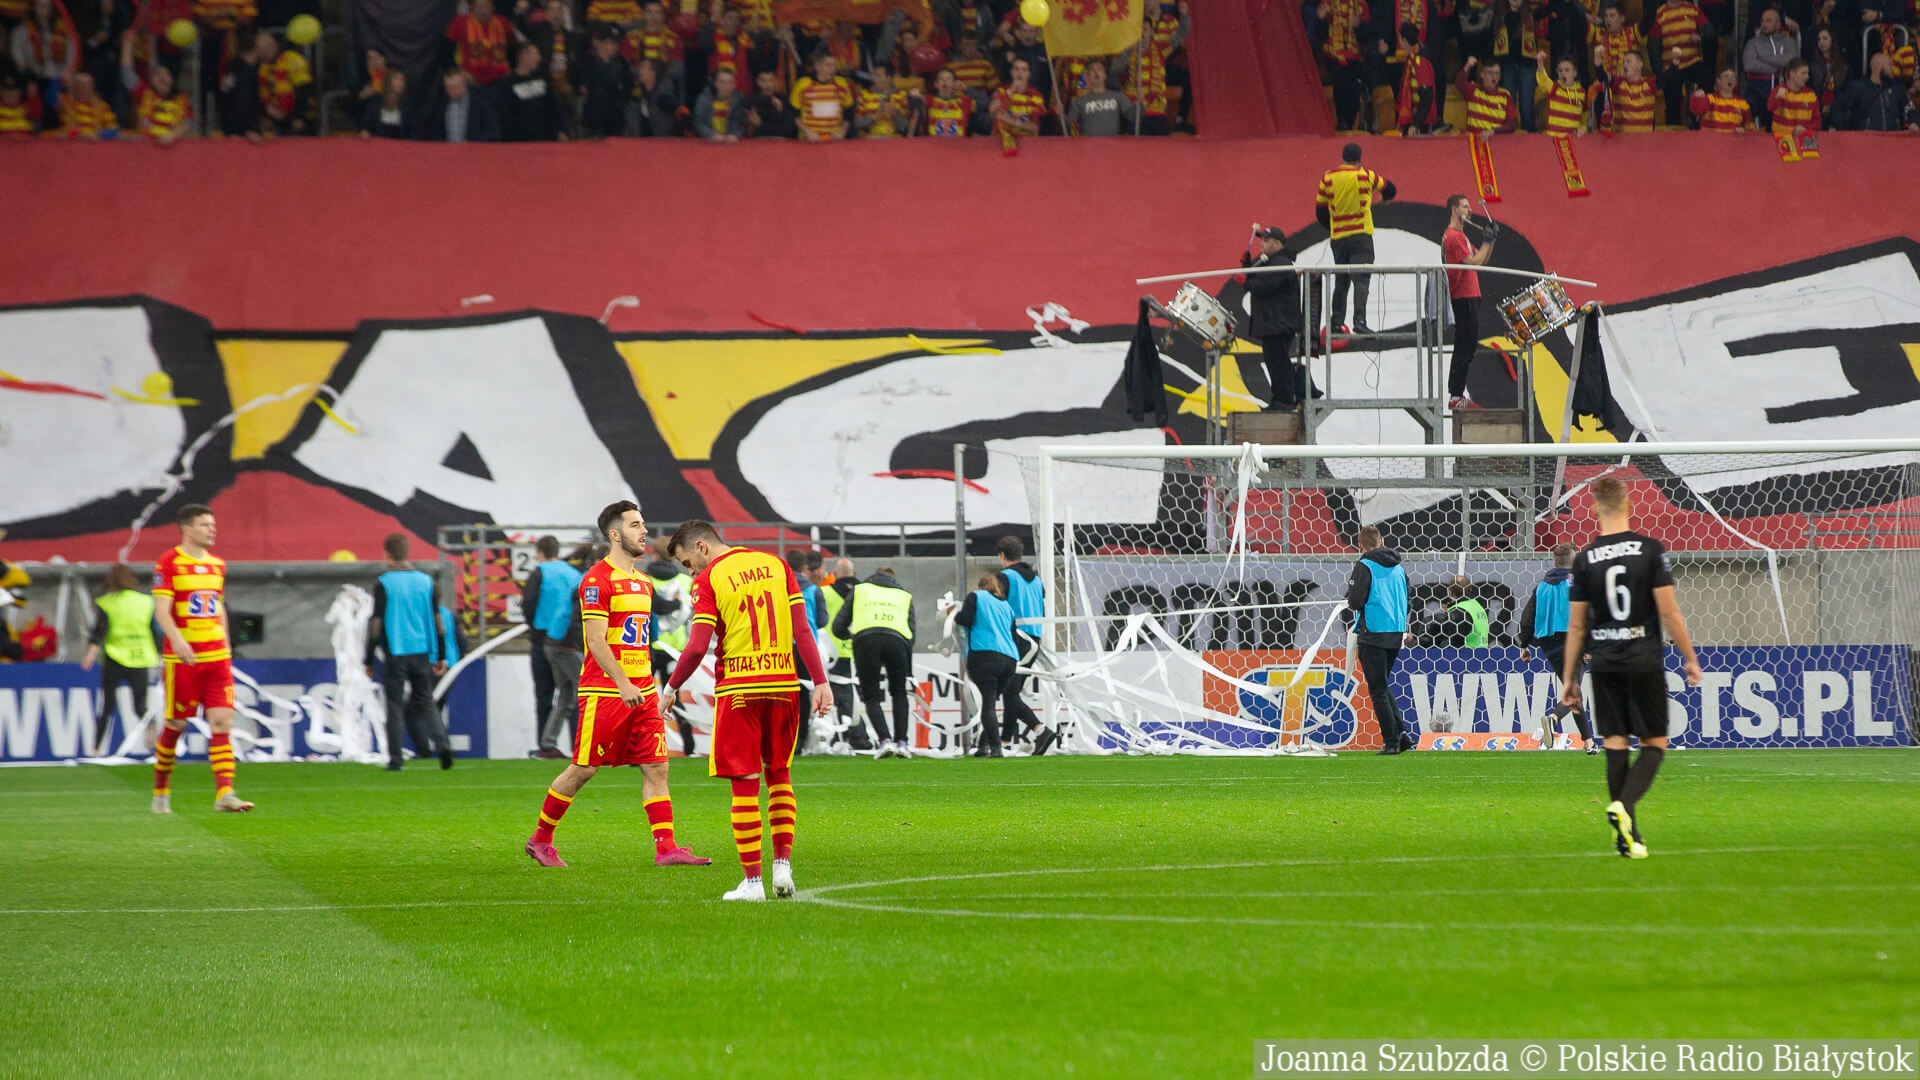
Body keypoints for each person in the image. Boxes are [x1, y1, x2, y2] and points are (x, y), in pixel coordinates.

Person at [525, 502, 714, 870]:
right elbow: (596, 640)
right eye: (635, 525)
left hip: (642, 691)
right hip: (606, 692)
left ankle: (666, 849)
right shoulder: (597, 579)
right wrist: (623, 682)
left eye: (642, 524)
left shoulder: (643, 581)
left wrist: (649, 685)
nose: (643, 531)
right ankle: (541, 840)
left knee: (657, 767)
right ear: (614, 534)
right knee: (583, 769)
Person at [664, 520, 833, 901]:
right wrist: (820, 681)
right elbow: (802, 631)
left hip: (740, 689)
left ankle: (753, 883)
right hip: (784, 686)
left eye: (688, 562)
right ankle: (782, 867)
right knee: (779, 775)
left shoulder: (709, 580)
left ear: (702, 547)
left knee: (744, 784)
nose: (690, 571)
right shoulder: (777, 566)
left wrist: (671, 688)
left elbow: (697, 647)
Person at [1562, 478, 1703, 858]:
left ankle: (1628, 838)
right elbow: (1669, 611)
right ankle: (1624, 809)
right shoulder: (1650, 549)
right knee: (1654, 743)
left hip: (1604, 662)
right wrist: (1690, 657)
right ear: (1629, 506)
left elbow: (1576, 625)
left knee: (1615, 744)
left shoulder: (1585, 558)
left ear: (1595, 509)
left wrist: (1569, 679)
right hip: (1643, 661)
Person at [151, 504, 254, 813]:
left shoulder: (217, 565)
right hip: (183, 661)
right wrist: (177, 640)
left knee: (222, 723)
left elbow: (217, 606)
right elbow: (161, 610)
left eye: (212, 524)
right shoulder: (169, 563)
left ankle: (225, 793)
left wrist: (226, 645)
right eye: (205, 524)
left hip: (217, 658)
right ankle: (161, 790)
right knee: (175, 724)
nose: (212, 529)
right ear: (187, 529)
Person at [366, 533, 453, 772]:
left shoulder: (384, 583)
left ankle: (396, 759)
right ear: (407, 552)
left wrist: (368, 657)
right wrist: (441, 654)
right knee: (426, 701)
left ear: (386, 553)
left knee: (394, 705)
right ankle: (443, 745)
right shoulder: (426, 582)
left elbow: (376, 623)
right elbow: (438, 620)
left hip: (396, 650)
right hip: (422, 650)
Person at [1518, 542, 1598, 753]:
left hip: (1549, 643)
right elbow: (1590, 615)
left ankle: (1589, 743)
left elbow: (1527, 617)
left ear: (1554, 562)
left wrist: (1524, 645)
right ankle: (1552, 720)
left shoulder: (1541, 587)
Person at [831, 562, 917, 759]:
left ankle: (885, 741)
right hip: (898, 642)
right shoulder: (904, 595)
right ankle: (902, 743)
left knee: (871, 696)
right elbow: (911, 633)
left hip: (866, 640)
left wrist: (852, 637)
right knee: (899, 693)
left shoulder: (860, 590)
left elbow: (838, 626)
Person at [1312, 144, 1394, 337]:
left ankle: (1335, 322)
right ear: (1359, 158)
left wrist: (1334, 227)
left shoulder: (1328, 178)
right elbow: (1391, 189)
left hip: (1339, 238)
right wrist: (1383, 200)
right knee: (1361, 279)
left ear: (1342, 157)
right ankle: (1360, 320)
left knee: (1341, 281)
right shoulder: (1366, 176)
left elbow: (1320, 210)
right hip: (1361, 236)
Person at [1345, 525, 1413, 755]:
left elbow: (1355, 601)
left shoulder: (1364, 565)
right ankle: (1402, 735)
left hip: (1373, 633)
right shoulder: (1398, 568)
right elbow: (1408, 601)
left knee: (1377, 690)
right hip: (1395, 633)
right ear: (1381, 542)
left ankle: (1391, 742)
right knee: (1382, 685)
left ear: (1360, 546)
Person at [80, 564, 156, 757]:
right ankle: (152, 730)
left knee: (107, 707)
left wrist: (90, 655)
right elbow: (154, 630)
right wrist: (162, 655)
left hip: (115, 657)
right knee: (140, 706)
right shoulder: (145, 601)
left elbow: (99, 631)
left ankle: (96, 749)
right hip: (140, 657)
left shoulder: (108, 602)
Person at [952, 574, 1018, 757]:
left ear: (980, 587)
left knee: (987, 705)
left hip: (984, 655)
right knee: (990, 704)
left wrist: (952, 614)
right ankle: (983, 746)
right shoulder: (1007, 606)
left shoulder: (976, 597)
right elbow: (1013, 634)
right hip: (1010, 660)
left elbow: (965, 619)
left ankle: (996, 748)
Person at [1441, 193, 1496, 412]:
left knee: (1468, 344)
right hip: (1463, 296)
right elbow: (1473, 262)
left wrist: (1490, 241)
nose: (1470, 210)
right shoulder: (1453, 237)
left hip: (1469, 295)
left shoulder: (1460, 236)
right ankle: (1456, 395)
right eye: (1465, 206)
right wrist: (1487, 241)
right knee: (1465, 344)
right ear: (1454, 209)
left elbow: (1482, 260)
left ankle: (1457, 393)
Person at [1242, 225, 1304, 411]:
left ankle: (1284, 400)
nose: (1261, 244)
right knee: (1274, 361)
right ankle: (1279, 399)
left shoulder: (1280, 263)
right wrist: (1247, 266)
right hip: (1273, 322)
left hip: (1279, 323)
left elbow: (1262, 286)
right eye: (1262, 240)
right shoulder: (1270, 262)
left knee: (1278, 361)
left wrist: (1245, 282)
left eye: (1266, 240)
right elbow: (1257, 280)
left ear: (1277, 244)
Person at [996, 537, 1046, 749]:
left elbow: (997, 607)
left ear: (1002, 555)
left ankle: (1039, 729)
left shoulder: (1005, 577)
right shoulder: (1036, 580)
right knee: (1011, 691)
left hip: (1015, 639)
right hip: (1034, 639)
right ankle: (1005, 741)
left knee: (1009, 691)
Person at [537, 544, 587, 758]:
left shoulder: (582, 579)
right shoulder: (590, 582)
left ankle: (547, 745)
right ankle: (591, 746)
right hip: (566, 645)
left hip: (554, 641)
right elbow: (577, 619)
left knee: (566, 696)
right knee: (590, 692)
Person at [519, 535, 567, 757]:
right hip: (570, 641)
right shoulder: (573, 573)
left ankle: (544, 745)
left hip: (542, 638)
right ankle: (581, 745)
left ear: (539, 552)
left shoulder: (539, 573)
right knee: (574, 695)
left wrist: (533, 627)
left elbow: (528, 604)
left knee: (544, 695)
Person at [820, 558, 865, 746]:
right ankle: (856, 736)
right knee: (853, 697)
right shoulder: (864, 594)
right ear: (853, 573)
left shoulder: (824, 593)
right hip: (859, 652)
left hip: (832, 653)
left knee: (835, 699)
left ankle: (853, 736)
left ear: (835, 574)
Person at [1652, 0, 1710, 126]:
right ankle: (1673, 130)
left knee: (1708, 81)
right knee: (1672, 102)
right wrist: (1659, 70)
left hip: (1692, 61)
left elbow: (1709, 31)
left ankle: (1702, 122)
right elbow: (1653, 45)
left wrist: (1701, 37)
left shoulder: (1693, 9)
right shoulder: (1659, 14)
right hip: (1671, 65)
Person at [500, 40, 568, 140]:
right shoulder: (508, 83)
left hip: (546, 139)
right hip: (520, 141)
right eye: (535, 54)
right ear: (524, 56)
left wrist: (562, 130)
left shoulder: (542, 79)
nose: (539, 58)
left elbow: (554, 106)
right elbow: (505, 116)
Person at [1742, 7, 1798, 126]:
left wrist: (1762, 57)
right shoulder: (1753, 43)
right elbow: (1749, 65)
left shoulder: (1788, 41)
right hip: (1757, 92)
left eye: (1768, 21)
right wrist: (1777, 68)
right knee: (1744, 109)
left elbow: (1791, 61)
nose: (1764, 24)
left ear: (1778, 25)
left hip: (1784, 93)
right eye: (1762, 21)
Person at [578, 28, 633, 137]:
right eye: (611, 43)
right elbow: (581, 86)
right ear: (600, 43)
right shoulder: (587, 61)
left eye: (617, 43)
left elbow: (628, 87)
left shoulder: (622, 63)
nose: (615, 47)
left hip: (615, 119)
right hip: (592, 119)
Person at [422, 67, 499, 141]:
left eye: (455, 87)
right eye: (448, 87)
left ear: (464, 85)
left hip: (472, 148)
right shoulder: (442, 104)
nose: (451, 91)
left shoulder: (479, 103)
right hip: (447, 148)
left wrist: (472, 144)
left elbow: (492, 132)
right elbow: (436, 132)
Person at [791, 47, 852, 140]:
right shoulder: (803, 84)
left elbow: (849, 112)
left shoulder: (842, 84)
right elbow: (793, 114)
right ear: (817, 66)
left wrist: (842, 131)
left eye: (834, 65)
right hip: (809, 140)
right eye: (828, 65)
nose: (832, 69)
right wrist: (807, 132)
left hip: (834, 140)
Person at [1834, 52, 1906, 130]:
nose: (1893, 68)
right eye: (1890, 65)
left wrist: (1913, 122)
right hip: (1865, 137)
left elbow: (1909, 110)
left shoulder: (1897, 89)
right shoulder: (1858, 88)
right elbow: (1837, 109)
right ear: (1878, 66)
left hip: (1892, 137)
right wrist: (1839, 128)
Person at [1457, 55, 1521, 134]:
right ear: (1482, 74)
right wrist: (1468, 65)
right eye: (1490, 73)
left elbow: (1512, 123)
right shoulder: (1473, 90)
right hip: (1474, 138)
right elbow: (1459, 84)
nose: (1494, 76)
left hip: (1496, 137)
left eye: (1497, 73)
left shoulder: (1505, 95)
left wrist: (1494, 131)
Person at [1066, 59, 1133, 134]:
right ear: (1087, 77)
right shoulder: (1079, 101)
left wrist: (1140, 104)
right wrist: (1060, 115)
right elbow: (1069, 125)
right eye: (1092, 69)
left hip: (1112, 141)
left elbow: (1132, 117)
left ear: (1104, 75)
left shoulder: (1119, 96)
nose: (1096, 72)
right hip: (1088, 141)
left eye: (1099, 69)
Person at [1767, 56, 1820, 147]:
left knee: (1812, 155)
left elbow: (1817, 121)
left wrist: (1806, 128)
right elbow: (1770, 107)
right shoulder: (1779, 91)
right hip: (1783, 138)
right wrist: (1777, 97)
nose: (1807, 77)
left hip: (1807, 137)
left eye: (1807, 73)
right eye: (1803, 73)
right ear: (1792, 74)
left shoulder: (1810, 94)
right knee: (1787, 156)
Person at [1535, 50, 1588, 133]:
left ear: (1575, 73)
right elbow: (1543, 80)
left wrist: (1583, 128)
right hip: (1553, 137)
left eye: (1567, 70)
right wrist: (1540, 62)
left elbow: (1585, 118)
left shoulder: (1582, 93)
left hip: (1573, 138)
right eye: (1560, 70)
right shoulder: (1553, 87)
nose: (1563, 73)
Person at [1689, 65, 1752, 129]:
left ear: (1735, 82)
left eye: (1733, 76)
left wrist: (1743, 130)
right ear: (1718, 80)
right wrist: (1696, 97)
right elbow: (1696, 110)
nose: (1730, 78)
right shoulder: (1710, 99)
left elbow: (1750, 128)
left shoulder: (1743, 103)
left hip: (1732, 136)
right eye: (1726, 76)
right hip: (1711, 136)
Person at [743, 67, 797, 137]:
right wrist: (769, 99)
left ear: (775, 81)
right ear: (757, 81)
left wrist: (761, 124)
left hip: (780, 139)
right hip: (758, 140)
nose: (767, 84)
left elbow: (787, 129)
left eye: (771, 80)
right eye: (763, 81)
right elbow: (742, 103)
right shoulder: (752, 99)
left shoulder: (783, 100)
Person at [1438, 575, 1491, 648]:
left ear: (1450, 592)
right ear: (1470, 589)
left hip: (1467, 652)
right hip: (1483, 650)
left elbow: (1454, 640)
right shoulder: (1476, 605)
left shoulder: (1459, 611)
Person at [693, 64, 742, 139]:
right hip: (707, 140)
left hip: (730, 141)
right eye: (721, 82)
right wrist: (712, 135)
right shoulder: (704, 99)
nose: (725, 85)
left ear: (734, 85)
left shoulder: (739, 100)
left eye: (729, 82)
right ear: (715, 83)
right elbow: (697, 122)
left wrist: (735, 135)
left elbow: (742, 125)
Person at [923, 67, 973, 135]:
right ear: (936, 84)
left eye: (948, 78)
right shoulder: (928, 100)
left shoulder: (964, 101)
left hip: (958, 141)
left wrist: (965, 88)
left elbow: (984, 102)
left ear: (954, 83)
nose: (945, 81)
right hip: (934, 140)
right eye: (941, 79)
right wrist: (914, 95)